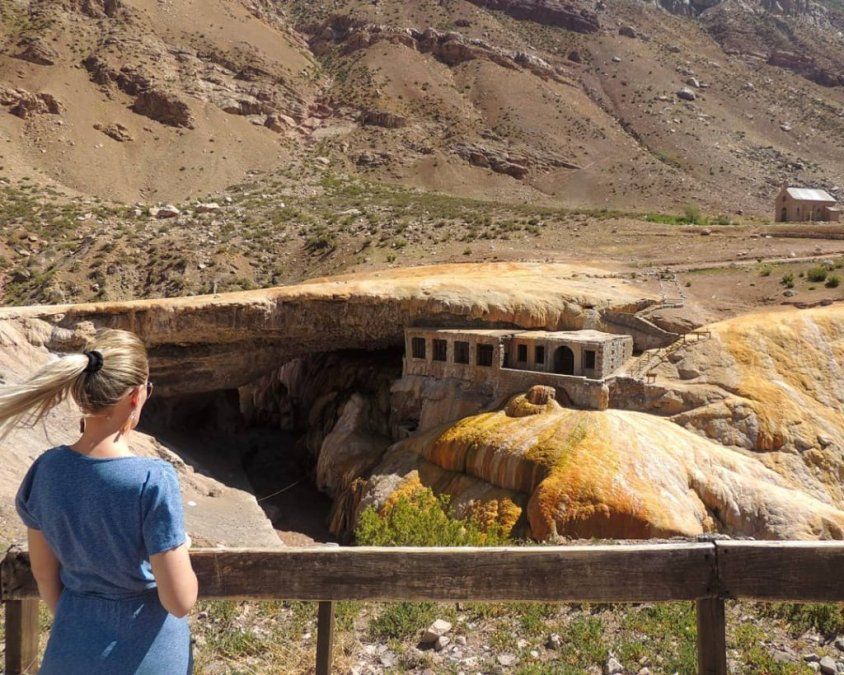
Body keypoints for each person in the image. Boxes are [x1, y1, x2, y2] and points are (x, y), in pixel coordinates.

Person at [4, 328, 198, 674]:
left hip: (72, 648)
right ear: (137, 396)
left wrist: (84, 623)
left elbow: (45, 575)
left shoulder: (47, 470)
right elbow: (179, 600)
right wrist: (179, 544)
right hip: (149, 656)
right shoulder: (153, 479)